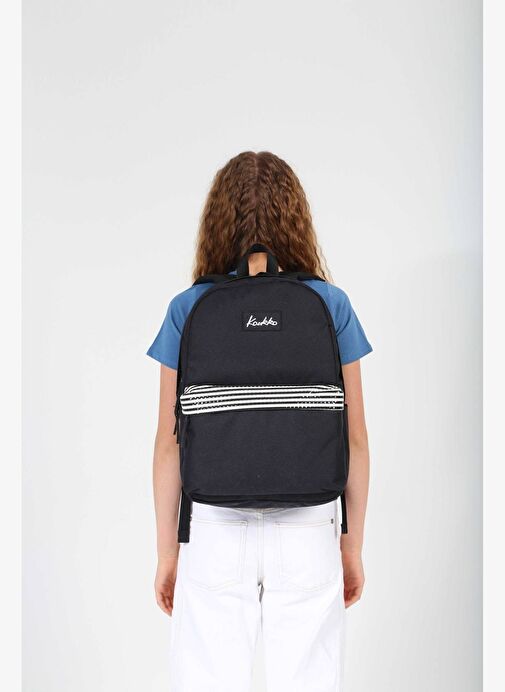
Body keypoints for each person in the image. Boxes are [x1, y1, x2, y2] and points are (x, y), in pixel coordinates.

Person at [147, 151, 372, 692]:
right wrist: (350, 545)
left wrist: (168, 553)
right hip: (309, 524)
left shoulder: (189, 307)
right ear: (297, 218)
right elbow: (356, 439)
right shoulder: (330, 304)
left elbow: (168, 443)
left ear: (217, 220)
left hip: (215, 527)